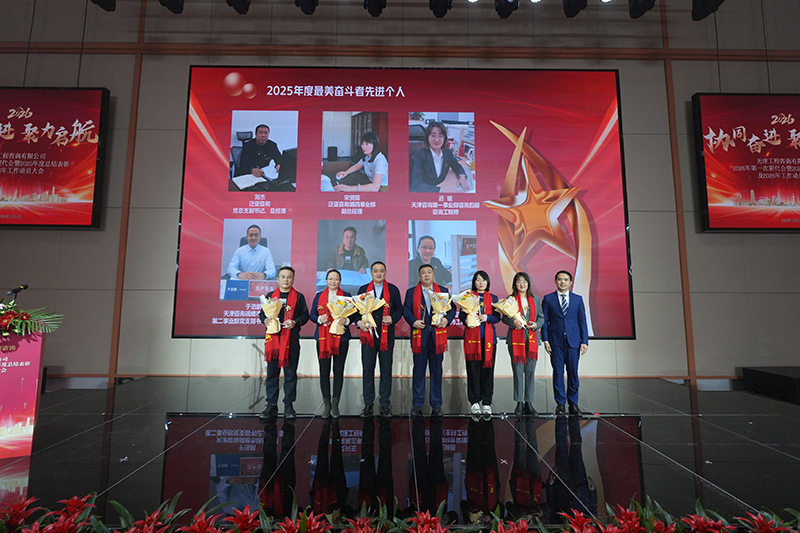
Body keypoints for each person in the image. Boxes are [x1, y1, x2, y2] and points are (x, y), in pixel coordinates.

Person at [403, 264, 456, 416]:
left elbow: (452, 309)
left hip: (437, 337)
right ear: (419, 276)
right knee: (418, 371)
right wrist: (413, 322)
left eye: (429, 272)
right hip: (419, 336)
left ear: (433, 275)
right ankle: (417, 403)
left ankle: (436, 404)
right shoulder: (411, 292)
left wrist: (447, 320)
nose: (426, 275)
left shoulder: (443, 291)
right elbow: (406, 310)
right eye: (423, 273)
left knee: (436, 371)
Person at [259, 266, 310, 419]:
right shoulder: (270, 296)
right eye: (283, 276)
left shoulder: (299, 297)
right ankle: (271, 404)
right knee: (272, 374)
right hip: (273, 341)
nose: (286, 280)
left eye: (289, 277)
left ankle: (289, 405)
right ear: (278, 279)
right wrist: (265, 320)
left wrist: (295, 322)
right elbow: (262, 314)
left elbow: (305, 316)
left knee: (290, 374)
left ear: (293, 279)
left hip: (291, 341)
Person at [356, 261, 404, 417]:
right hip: (368, 336)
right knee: (367, 370)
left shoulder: (393, 290)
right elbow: (356, 311)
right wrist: (359, 322)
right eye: (375, 271)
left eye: (381, 271)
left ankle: (385, 403)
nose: (378, 273)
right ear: (371, 273)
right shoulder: (363, 290)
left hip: (386, 336)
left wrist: (392, 318)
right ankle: (368, 403)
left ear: (385, 272)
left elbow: (400, 309)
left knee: (386, 370)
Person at [541, 270, 589, 416]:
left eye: (566, 279)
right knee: (558, 372)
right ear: (556, 281)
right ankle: (560, 404)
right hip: (555, 341)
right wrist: (545, 340)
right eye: (560, 279)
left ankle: (573, 403)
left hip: (573, 342)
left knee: (573, 372)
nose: (563, 282)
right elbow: (544, 321)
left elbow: (582, 321)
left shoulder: (577, 299)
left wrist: (584, 341)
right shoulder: (548, 299)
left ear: (570, 282)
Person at [309, 270, 353, 419]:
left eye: (336, 279)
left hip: (341, 338)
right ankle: (326, 404)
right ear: (326, 280)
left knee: (338, 370)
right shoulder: (318, 296)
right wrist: (319, 319)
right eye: (330, 279)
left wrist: (347, 320)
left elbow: (354, 314)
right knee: (324, 371)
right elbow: (312, 314)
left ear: (340, 281)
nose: (333, 281)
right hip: (323, 338)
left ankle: (335, 404)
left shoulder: (346, 295)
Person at [458, 271, 501, 417]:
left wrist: (488, 317)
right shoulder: (468, 297)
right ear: (474, 282)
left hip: (489, 340)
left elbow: (497, 317)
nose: (481, 282)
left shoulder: (493, 298)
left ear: (487, 282)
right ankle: (474, 401)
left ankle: (487, 402)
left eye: (483, 280)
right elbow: (461, 315)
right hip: (472, 339)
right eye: (478, 280)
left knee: (488, 371)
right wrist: (467, 321)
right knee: (473, 370)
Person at [501, 272, 544, 416]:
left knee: (530, 372)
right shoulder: (510, 299)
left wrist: (536, 325)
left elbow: (541, 318)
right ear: (515, 284)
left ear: (528, 284)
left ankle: (529, 402)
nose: (522, 284)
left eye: (525, 281)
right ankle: (519, 402)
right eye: (519, 281)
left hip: (532, 339)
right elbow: (504, 318)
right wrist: (513, 322)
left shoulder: (536, 299)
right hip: (515, 340)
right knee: (518, 371)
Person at [409, 121, 470, 193]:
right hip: (427, 192)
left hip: (443, 184)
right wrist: (442, 191)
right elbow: (417, 185)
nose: (437, 140)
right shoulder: (420, 155)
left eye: (440, 136)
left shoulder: (447, 153)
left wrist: (462, 177)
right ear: (427, 137)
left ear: (444, 138)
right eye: (433, 135)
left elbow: (457, 166)